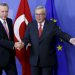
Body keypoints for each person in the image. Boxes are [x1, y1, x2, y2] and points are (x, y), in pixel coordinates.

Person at [15, 6, 75, 75]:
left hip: (47, 61)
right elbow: (26, 38)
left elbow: (61, 34)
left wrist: (70, 39)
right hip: (34, 61)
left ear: (45, 15)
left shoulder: (52, 25)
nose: (38, 16)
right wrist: (23, 43)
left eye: (40, 14)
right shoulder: (31, 25)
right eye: (36, 14)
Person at [0, 3, 18, 75]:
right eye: (2, 11)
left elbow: (11, 38)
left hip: (10, 58)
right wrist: (14, 44)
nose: (5, 13)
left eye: (6, 11)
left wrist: (14, 53)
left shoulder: (10, 21)